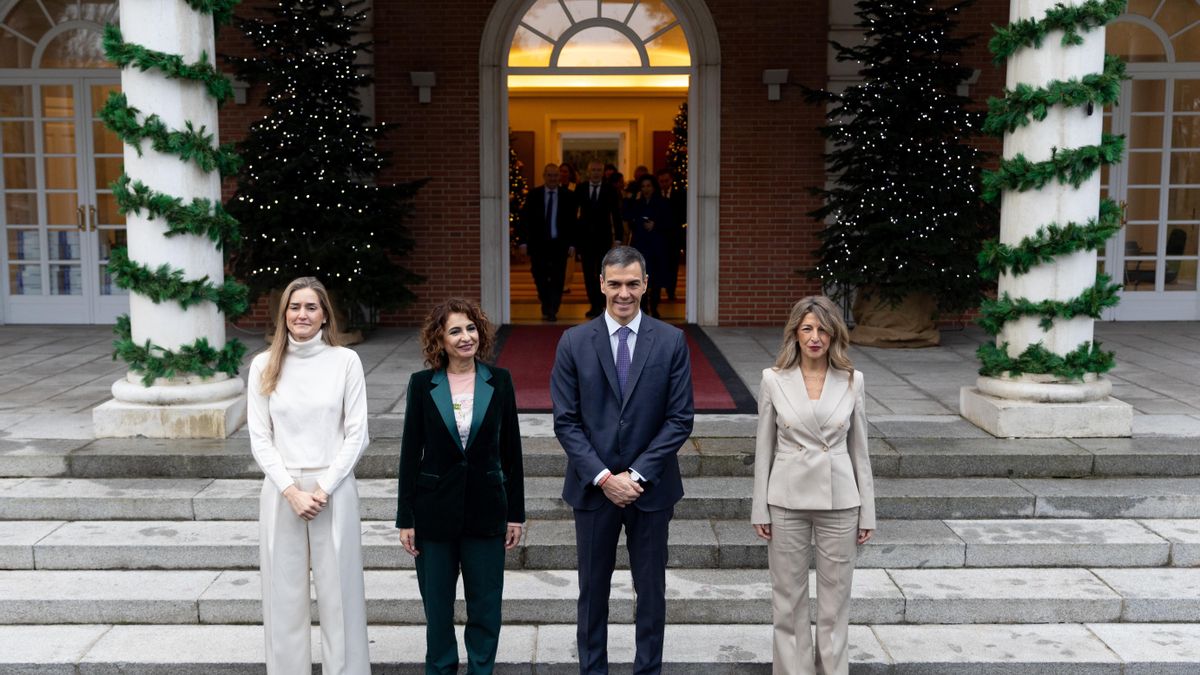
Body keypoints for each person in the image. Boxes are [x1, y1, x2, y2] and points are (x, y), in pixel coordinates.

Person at [551, 246, 695, 675]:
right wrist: (603, 477)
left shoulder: (671, 341)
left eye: (633, 283)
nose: (624, 293)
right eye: (615, 284)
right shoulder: (574, 341)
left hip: (650, 491)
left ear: (646, 284)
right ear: (601, 284)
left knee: (650, 593)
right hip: (593, 492)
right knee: (592, 593)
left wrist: (633, 475)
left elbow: (679, 418)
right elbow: (566, 421)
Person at [247, 276, 371, 674]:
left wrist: (321, 488)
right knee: (283, 597)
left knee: (341, 598)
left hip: (332, 488)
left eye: (311, 307)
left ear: (324, 316)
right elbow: (259, 436)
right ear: (284, 314)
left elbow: (358, 434)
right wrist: (291, 491)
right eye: (295, 306)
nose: (302, 314)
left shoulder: (345, 362)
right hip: (282, 491)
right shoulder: (264, 365)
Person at [397, 298, 526, 675]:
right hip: (433, 513)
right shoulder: (422, 385)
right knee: (437, 609)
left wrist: (515, 514)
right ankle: (440, 668)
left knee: (486, 607)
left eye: (471, 328)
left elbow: (511, 451)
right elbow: (409, 453)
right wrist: (406, 517)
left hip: (487, 511)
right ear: (440, 338)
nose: (465, 337)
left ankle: (481, 669)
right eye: (455, 330)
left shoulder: (499, 381)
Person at [750, 296, 876, 675]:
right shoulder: (773, 379)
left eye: (822, 329)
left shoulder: (853, 381)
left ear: (834, 334)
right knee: (788, 601)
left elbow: (861, 451)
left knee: (836, 604)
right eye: (807, 329)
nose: (815, 337)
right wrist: (760, 506)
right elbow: (763, 447)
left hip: (840, 501)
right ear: (795, 334)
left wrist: (867, 510)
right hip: (786, 499)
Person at [519, 163, 577, 321]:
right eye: (550, 175)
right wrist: (523, 242)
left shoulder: (568, 196)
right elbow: (525, 219)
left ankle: (552, 308)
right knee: (539, 276)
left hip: (560, 244)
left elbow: (572, 222)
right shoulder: (534, 195)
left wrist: (572, 244)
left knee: (558, 278)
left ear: (560, 177)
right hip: (539, 245)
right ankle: (546, 302)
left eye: (555, 175)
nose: (553, 178)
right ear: (544, 176)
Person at [574, 160, 623, 318]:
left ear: (602, 172)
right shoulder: (580, 188)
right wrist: (575, 241)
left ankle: (602, 303)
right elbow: (574, 215)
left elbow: (616, 214)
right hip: (585, 239)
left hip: (604, 238)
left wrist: (618, 239)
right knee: (588, 274)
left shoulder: (610, 190)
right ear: (588, 172)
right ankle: (594, 304)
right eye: (593, 170)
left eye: (598, 170)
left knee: (603, 273)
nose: (595, 172)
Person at [622, 175, 673, 319]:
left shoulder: (663, 202)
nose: (646, 189)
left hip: (657, 245)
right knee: (640, 277)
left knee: (655, 278)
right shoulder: (637, 203)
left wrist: (655, 225)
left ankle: (654, 307)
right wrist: (630, 198)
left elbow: (669, 222)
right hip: (641, 245)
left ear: (653, 187)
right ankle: (643, 307)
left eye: (648, 186)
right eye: (643, 186)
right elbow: (626, 215)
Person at [655, 169, 686, 302]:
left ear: (671, 180)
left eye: (666, 181)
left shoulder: (680, 194)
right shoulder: (655, 195)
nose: (664, 183)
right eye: (661, 181)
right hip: (659, 236)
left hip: (674, 236)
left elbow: (683, 213)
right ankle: (656, 292)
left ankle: (671, 291)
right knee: (659, 265)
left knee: (673, 265)